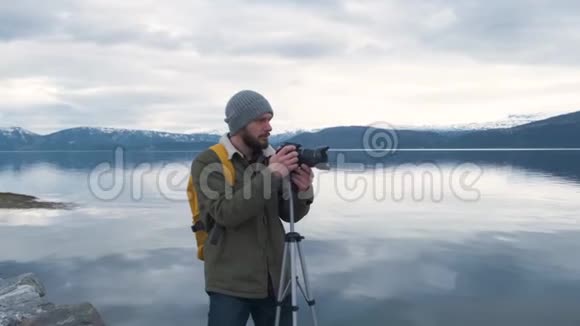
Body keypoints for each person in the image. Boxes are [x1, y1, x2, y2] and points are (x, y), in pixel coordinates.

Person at [190, 90, 315, 326]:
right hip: (229, 282)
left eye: (270, 119)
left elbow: (292, 215)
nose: (269, 126)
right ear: (240, 124)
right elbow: (225, 213)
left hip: (276, 279)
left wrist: (303, 189)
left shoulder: (271, 158)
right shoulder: (208, 162)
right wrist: (271, 175)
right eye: (261, 120)